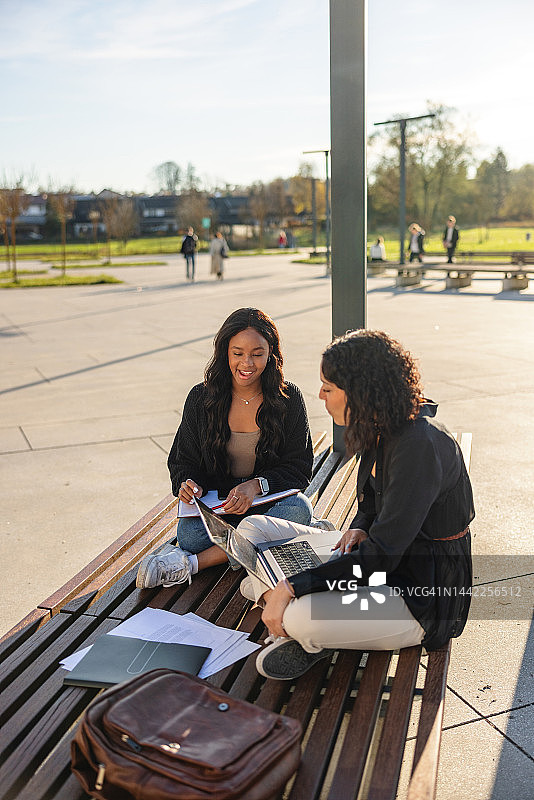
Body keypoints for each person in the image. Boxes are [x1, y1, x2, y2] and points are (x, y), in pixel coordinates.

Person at [237, 330, 474, 681]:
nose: (320, 395)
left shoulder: (417, 447)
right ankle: (300, 615)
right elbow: (375, 504)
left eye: (329, 388)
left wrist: (291, 587)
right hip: (378, 564)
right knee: (251, 531)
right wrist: (361, 524)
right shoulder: (381, 426)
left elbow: (382, 555)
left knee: (294, 610)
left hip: (417, 595)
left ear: (361, 393)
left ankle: (300, 624)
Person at [136, 308, 315, 589]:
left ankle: (191, 564)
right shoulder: (200, 398)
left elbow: (300, 467)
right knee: (190, 537)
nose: (247, 363)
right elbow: (183, 461)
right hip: (220, 505)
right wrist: (188, 484)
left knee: (298, 509)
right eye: (238, 353)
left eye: (257, 353)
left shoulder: (288, 398)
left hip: (265, 503)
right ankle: (282, 539)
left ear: (271, 354)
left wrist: (256, 486)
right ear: (224, 353)